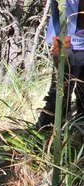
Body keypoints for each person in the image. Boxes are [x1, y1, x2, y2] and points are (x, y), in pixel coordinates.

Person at [36, 0, 84, 129]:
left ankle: (77, 133)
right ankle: (46, 130)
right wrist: (61, 48)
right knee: (60, 91)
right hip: (66, 42)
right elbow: (58, 17)